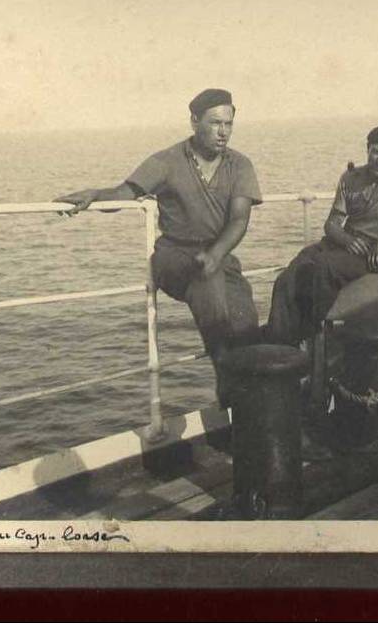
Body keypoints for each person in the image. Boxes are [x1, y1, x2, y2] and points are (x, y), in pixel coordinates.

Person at [55, 88, 263, 405]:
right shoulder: (166, 161)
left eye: (229, 124)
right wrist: (95, 195)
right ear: (194, 121)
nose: (223, 132)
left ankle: (244, 408)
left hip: (217, 256)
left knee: (245, 318)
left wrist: (215, 254)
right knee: (209, 283)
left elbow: (238, 220)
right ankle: (226, 376)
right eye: (215, 123)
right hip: (174, 257)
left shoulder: (240, 166)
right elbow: (125, 192)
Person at [266, 124, 378, 346]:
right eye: (376, 152)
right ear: (368, 149)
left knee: (324, 267)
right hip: (348, 245)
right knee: (290, 274)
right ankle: (280, 346)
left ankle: (320, 337)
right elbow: (332, 223)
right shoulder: (350, 178)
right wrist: (347, 240)